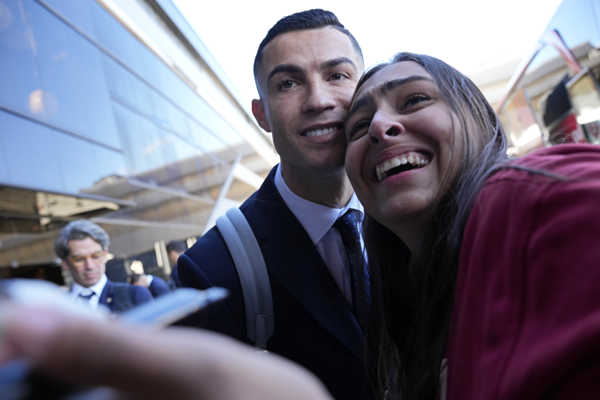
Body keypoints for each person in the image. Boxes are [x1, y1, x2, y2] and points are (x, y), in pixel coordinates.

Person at [343, 53, 600, 399]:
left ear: (480, 119)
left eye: (415, 99)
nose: (378, 126)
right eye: (358, 126)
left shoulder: (532, 196)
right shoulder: (412, 301)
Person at [176, 9, 370, 399]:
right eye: (288, 84)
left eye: (337, 75)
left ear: (365, 91)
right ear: (261, 114)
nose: (318, 100)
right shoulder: (209, 271)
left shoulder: (417, 214)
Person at [54, 220, 153, 313]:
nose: (90, 266)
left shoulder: (134, 295)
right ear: (65, 263)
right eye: (79, 259)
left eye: (96, 256)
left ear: (105, 255)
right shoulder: (56, 307)